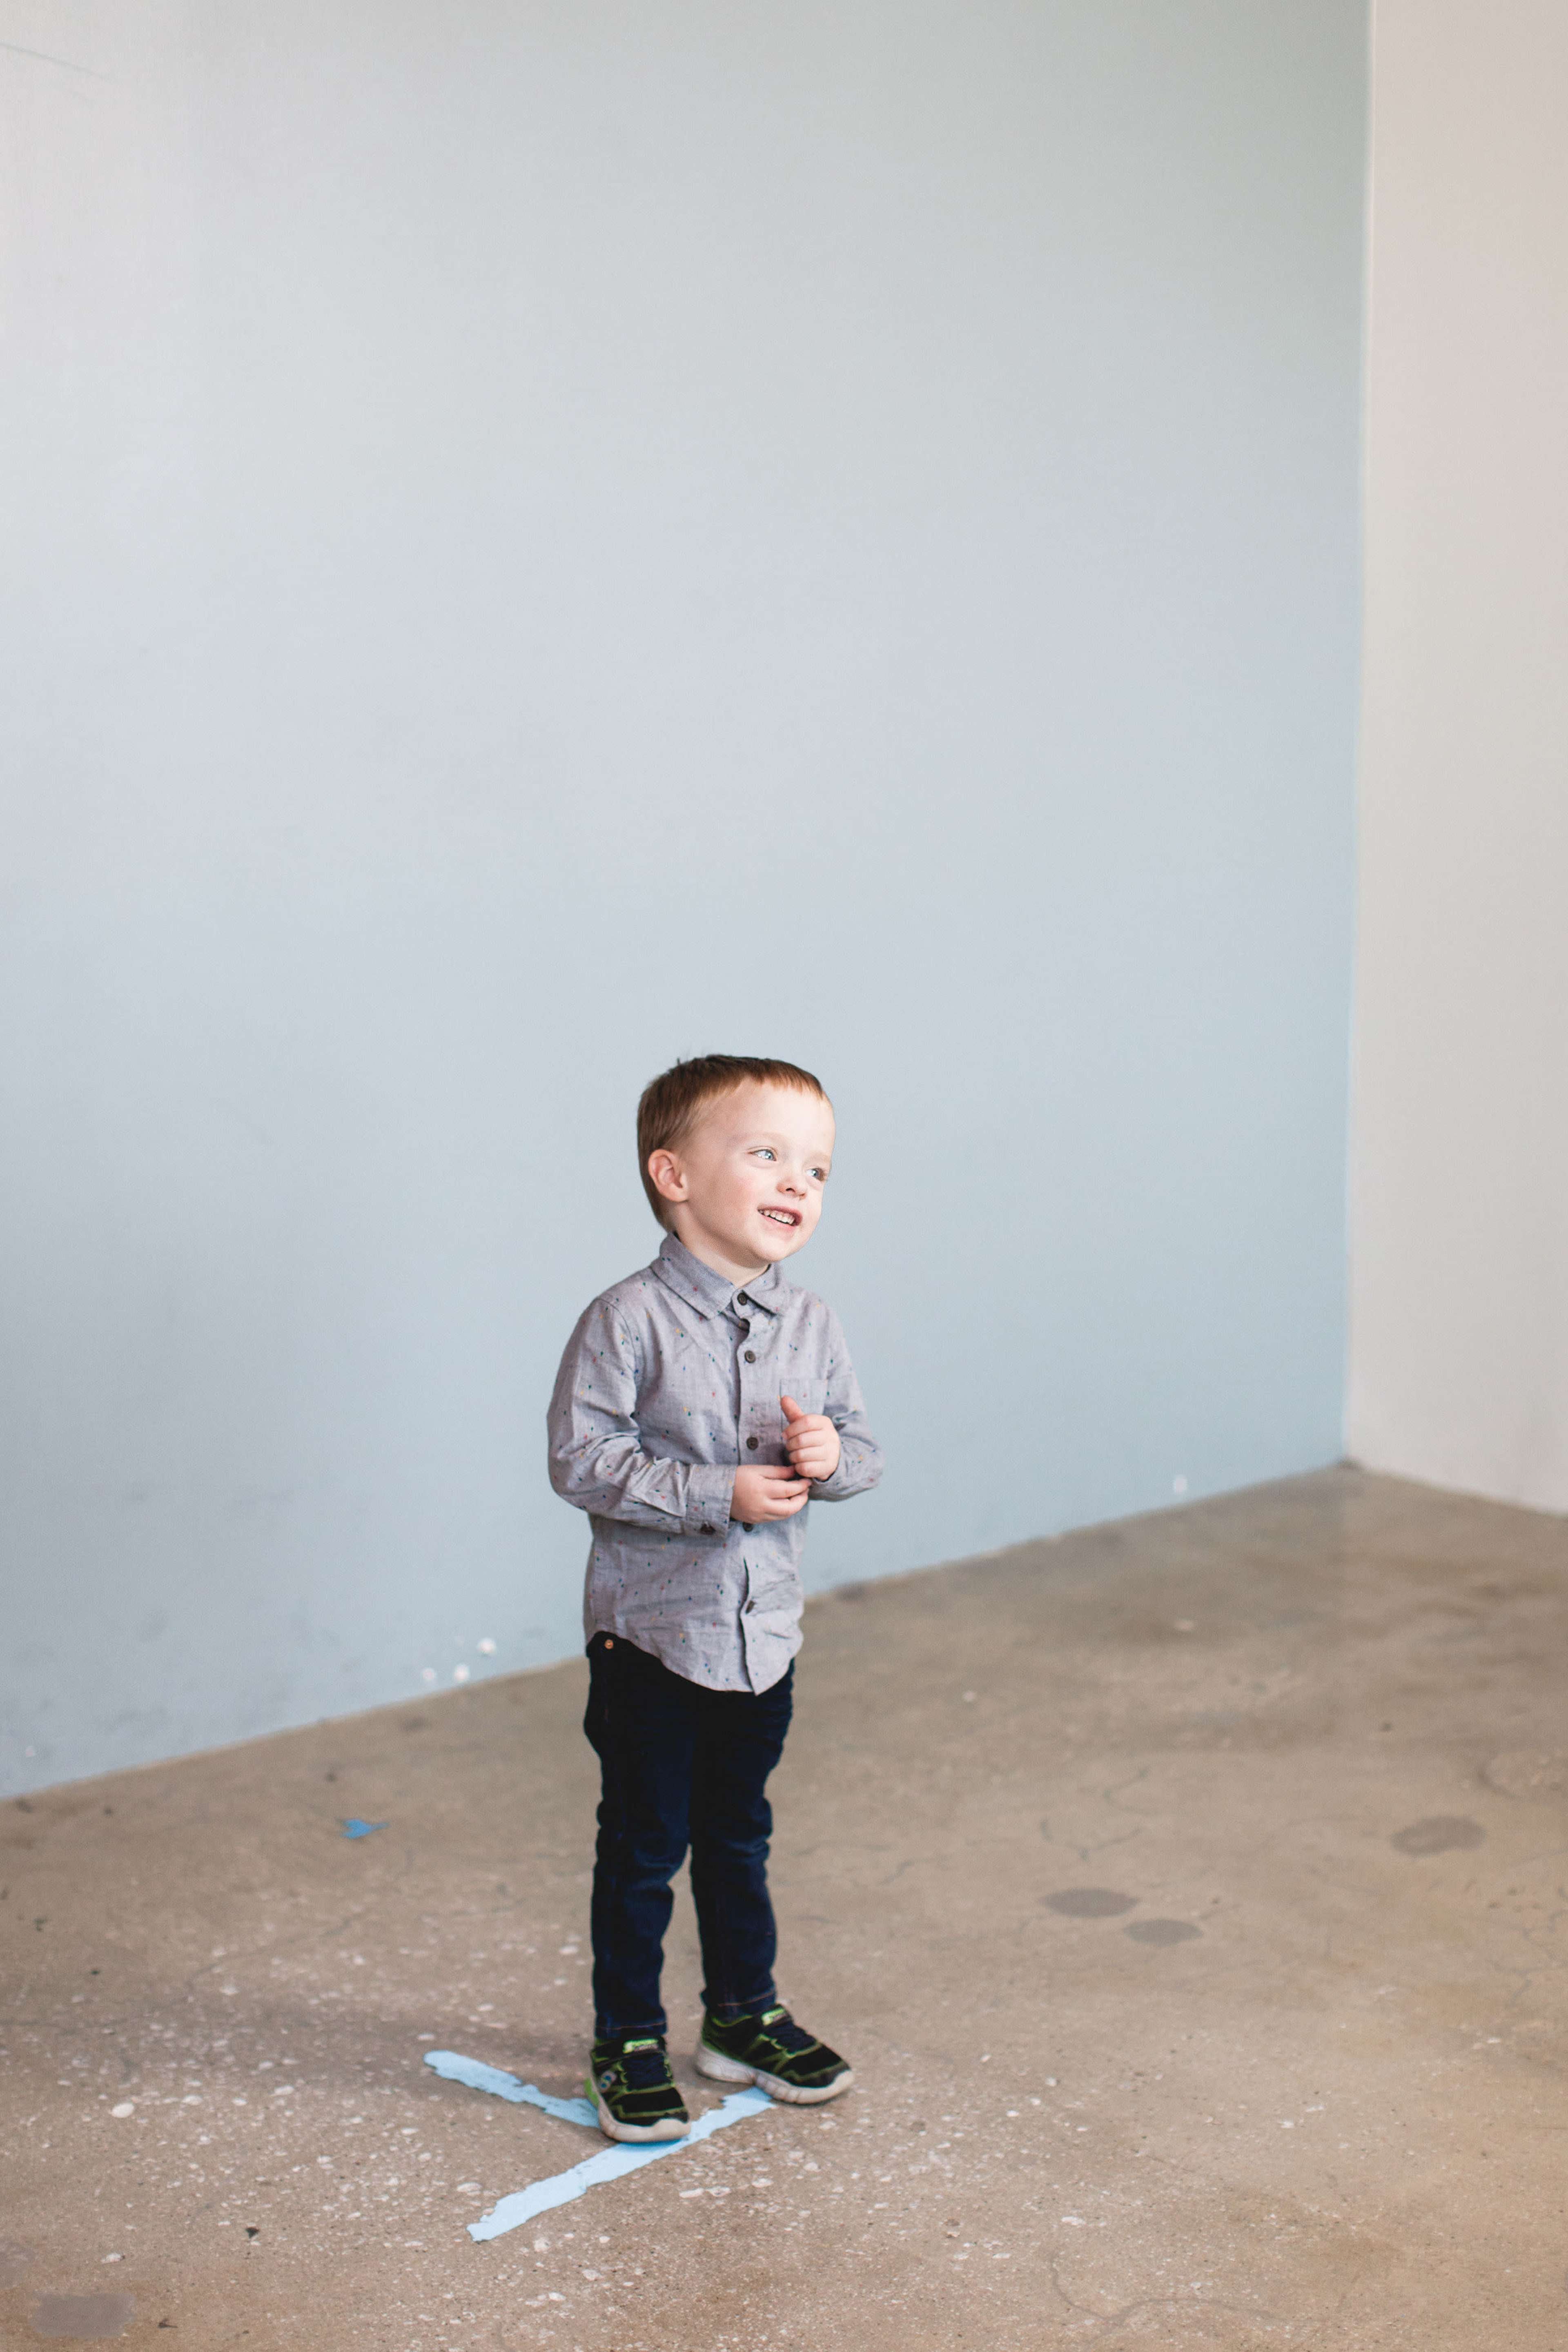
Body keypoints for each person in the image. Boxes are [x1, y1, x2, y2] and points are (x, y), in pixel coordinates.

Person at [547, 1054, 884, 2142]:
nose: (801, 1183)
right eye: (769, 1155)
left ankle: (742, 2014)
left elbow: (862, 1452)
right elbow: (581, 1462)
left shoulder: (813, 1323)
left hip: (762, 1641)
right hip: (654, 1643)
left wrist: (829, 1456)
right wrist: (714, 1493)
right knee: (645, 1843)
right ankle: (628, 2036)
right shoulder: (627, 1321)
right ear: (675, 1175)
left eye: (820, 1168)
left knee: (740, 1834)